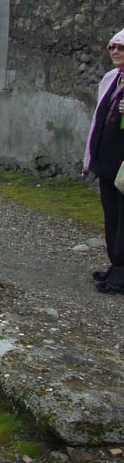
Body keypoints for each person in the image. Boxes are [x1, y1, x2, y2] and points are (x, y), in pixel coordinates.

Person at [84, 27, 124, 293]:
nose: (116, 52)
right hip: (106, 163)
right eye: (112, 47)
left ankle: (121, 274)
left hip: (123, 165)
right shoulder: (112, 78)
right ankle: (115, 265)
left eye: (121, 48)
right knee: (111, 215)